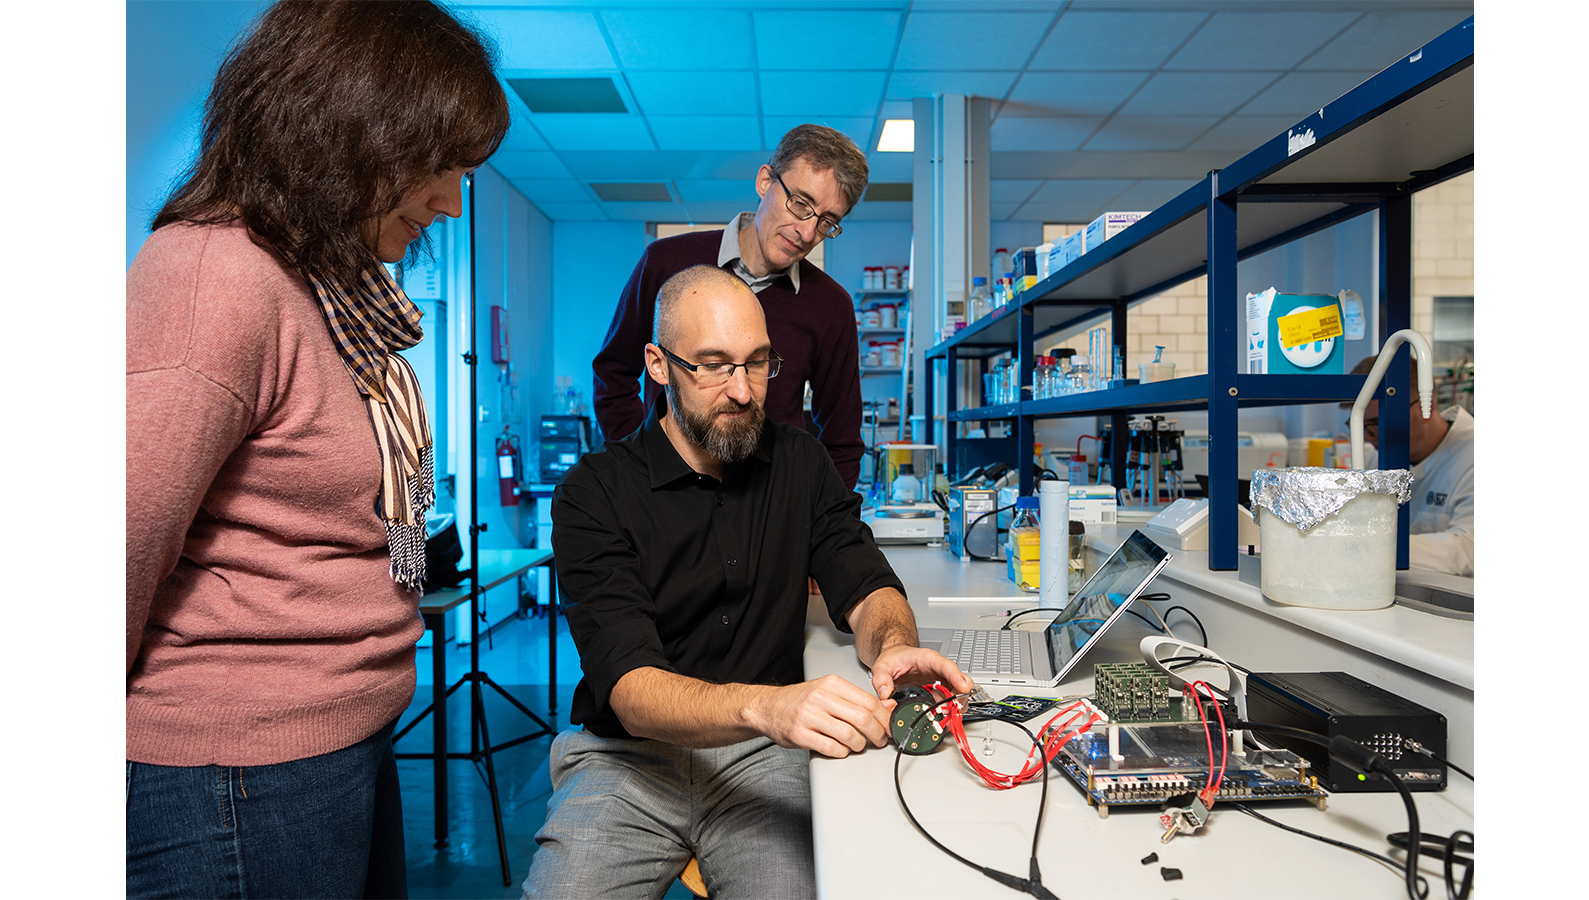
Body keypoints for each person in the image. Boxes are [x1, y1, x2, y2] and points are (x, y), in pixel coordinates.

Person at [124, 1, 509, 896]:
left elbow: (379, 525)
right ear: (354, 135)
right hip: (237, 770)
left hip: (340, 740)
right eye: (440, 169)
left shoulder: (334, 302)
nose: (450, 203)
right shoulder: (214, 279)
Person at [524, 266, 970, 899]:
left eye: (757, 364)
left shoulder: (801, 461)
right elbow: (631, 690)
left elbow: (865, 580)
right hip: (628, 761)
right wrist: (767, 706)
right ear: (658, 364)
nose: (742, 391)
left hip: (764, 759)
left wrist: (892, 643)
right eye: (713, 365)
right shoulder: (594, 493)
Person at [591, 124, 871, 489]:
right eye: (800, 204)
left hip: (773, 504)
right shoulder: (666, 261)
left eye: (827, 222)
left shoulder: (830, 306)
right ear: (765, 181)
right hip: (666, 496)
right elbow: (613, 373)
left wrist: (822, 520)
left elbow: (843, 436)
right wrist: (641, 464)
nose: (806, 232)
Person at [1351, 355, 1474, 577]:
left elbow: (1469, 549)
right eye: (1360, 426)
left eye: (1376, 425)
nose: (1368, 438)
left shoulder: (1473, 456)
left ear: (1425, 407)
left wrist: (1369, 546)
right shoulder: (1374, 460)